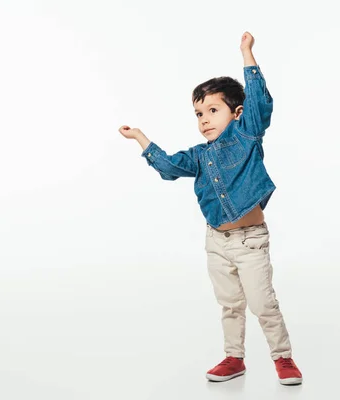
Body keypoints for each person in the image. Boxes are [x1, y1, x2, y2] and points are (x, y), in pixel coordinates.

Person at [119, 32, 302, 386]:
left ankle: (284, 358)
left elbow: (260, 103)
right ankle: (234, 357)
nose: (203, 118)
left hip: (250, 241)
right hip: (216, 243)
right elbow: (169, 167)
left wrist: (247, 54)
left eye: (212, 110)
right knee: (230, 303)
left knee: (262, 304)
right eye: (198, 113)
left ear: (236, 114)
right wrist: (141, 138)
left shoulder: (246, 135)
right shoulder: (199, 155)